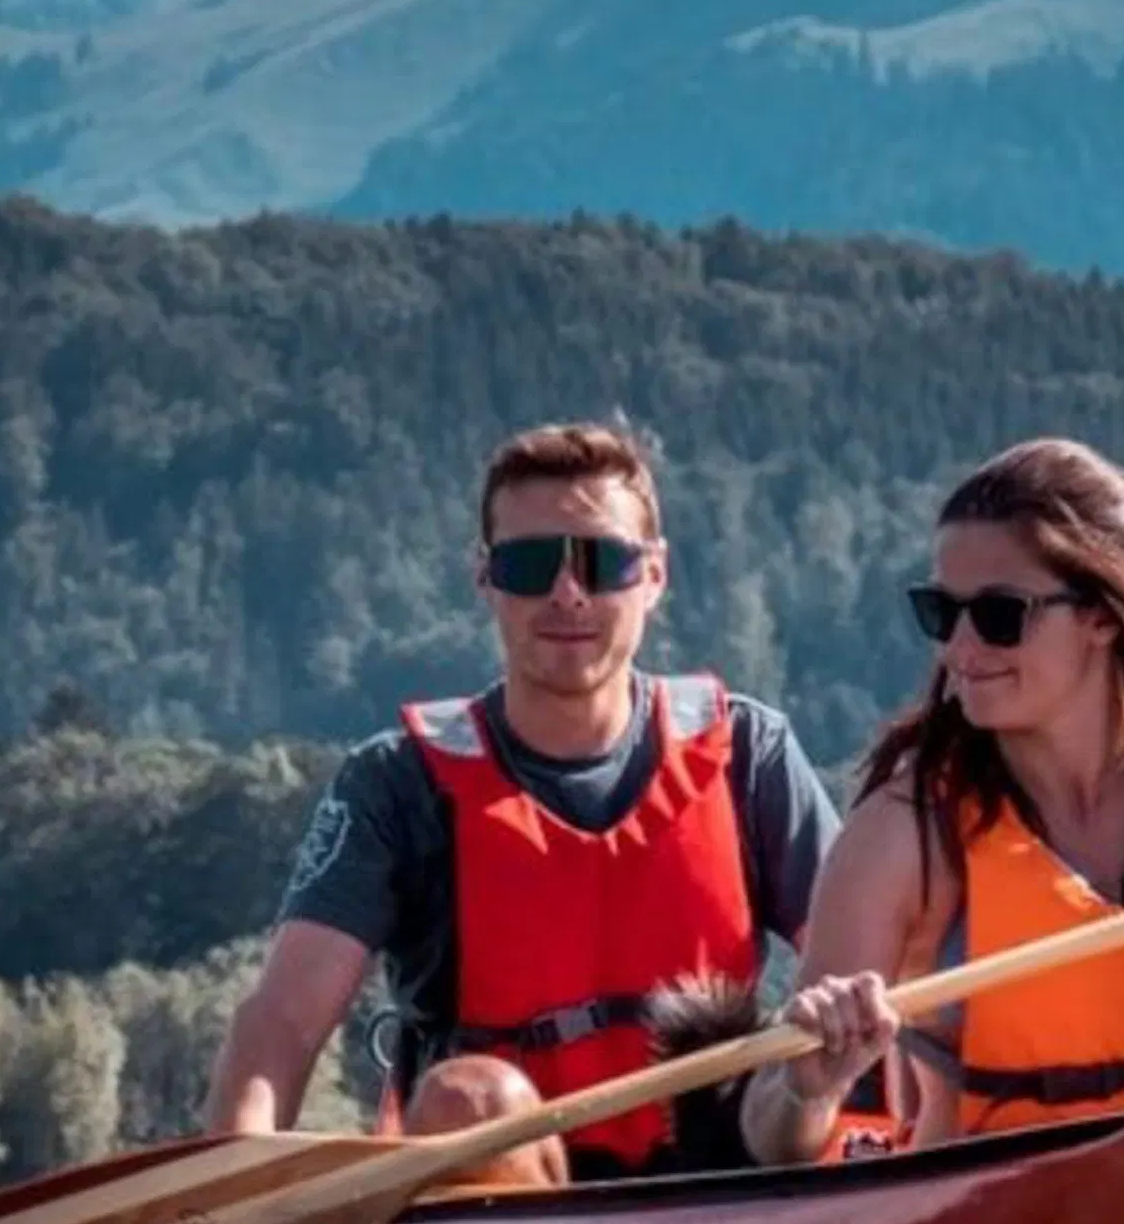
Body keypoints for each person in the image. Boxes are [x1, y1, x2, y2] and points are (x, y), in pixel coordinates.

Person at [207, 419, 850, 1185]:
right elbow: (283, 1019)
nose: (567, 592)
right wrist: (234, 1187)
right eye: (530, 565)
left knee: (811, 1072)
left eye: (601, 561)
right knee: (466, 1098)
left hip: (724, 1167)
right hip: (505, 1191)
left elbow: (864, 970)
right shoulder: (394, 783)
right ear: (485, 578)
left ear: (654, 575)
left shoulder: (751, 752)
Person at [743, 436, 1124, 1167]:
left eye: (1001, 615)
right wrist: (808, 1089)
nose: (961, 649)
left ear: (1103, 615)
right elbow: (770, 1140)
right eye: (942, 613)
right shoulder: (902, 830)